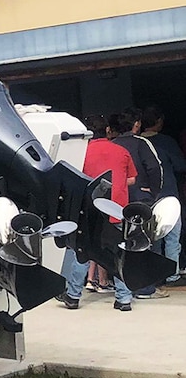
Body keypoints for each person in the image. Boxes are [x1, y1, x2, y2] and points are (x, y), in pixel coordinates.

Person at [60, 115, 136, 311]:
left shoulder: (81, 153)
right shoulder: (122, 151)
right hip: (116, 209)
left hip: (88, 210)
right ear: (109, 130)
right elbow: (132, 179)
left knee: (81, 250)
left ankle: (73, 295)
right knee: (120, 251)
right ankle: (124, 299)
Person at [110, 109, 168, 300]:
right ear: (136, 124)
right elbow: (154, 167)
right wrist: (154, 191)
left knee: (121, 244)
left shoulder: (113, 144)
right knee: (143, 242)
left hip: (117, 201)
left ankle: (122, 285)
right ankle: (144, 288)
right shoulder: (142, 143)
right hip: (139, 199)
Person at [141, 105, 186, 284]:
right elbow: (181, 166)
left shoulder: (136, 142)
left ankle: (155, 273)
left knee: (151, 238)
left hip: (144, 196)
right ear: (158, 122)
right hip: (168, 194)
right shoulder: (166, 142)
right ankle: (172, 273)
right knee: (172, 236)